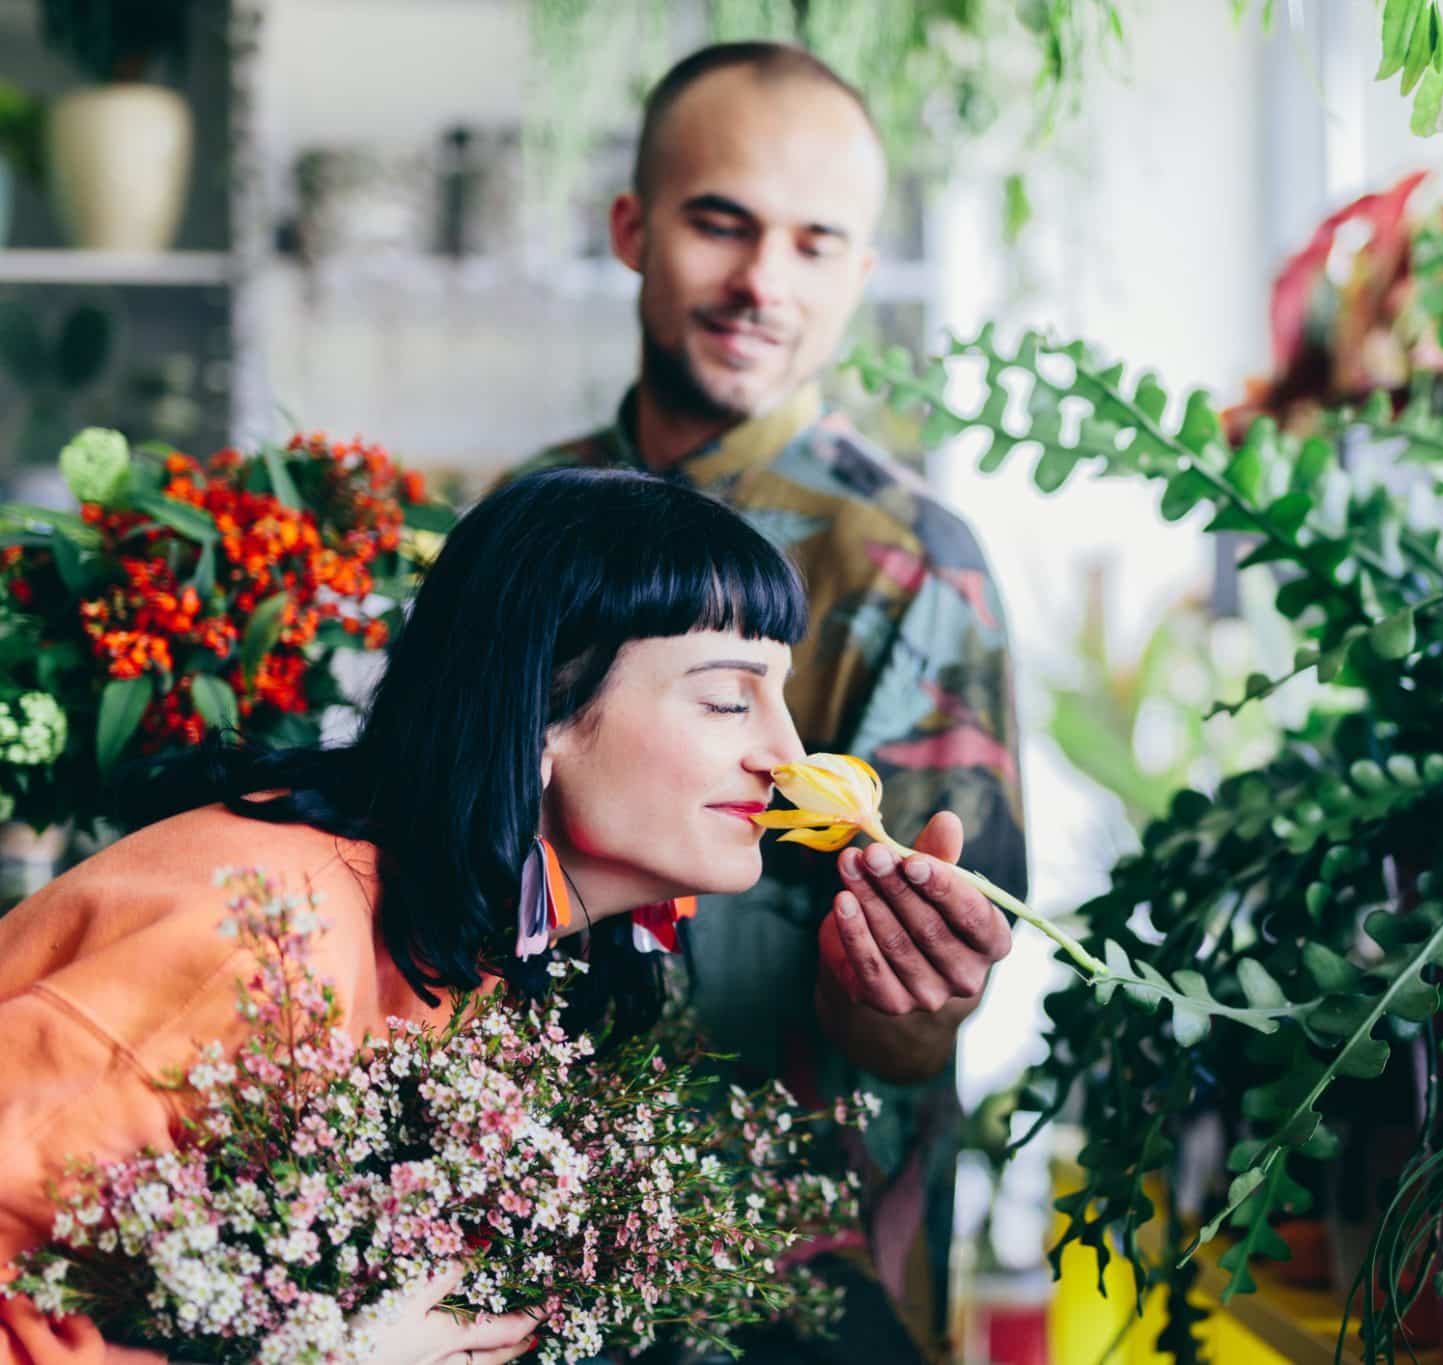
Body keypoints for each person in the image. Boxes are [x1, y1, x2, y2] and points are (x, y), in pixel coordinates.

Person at [0, 468, 1010, 1364]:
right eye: (724, 699)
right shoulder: (267, 932)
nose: (786, 755)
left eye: (779, 697)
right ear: (541, 711)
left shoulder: (520, 957)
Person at [513, 42, 1027, 1361]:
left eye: (815, 244)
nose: (760, 282)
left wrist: (910, 982)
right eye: (721, 224)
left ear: (860, 275)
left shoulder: (909, 565)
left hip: (798, 1270)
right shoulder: (523, 523)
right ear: (633, 229)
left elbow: (920, 1029)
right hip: (509, 1245)